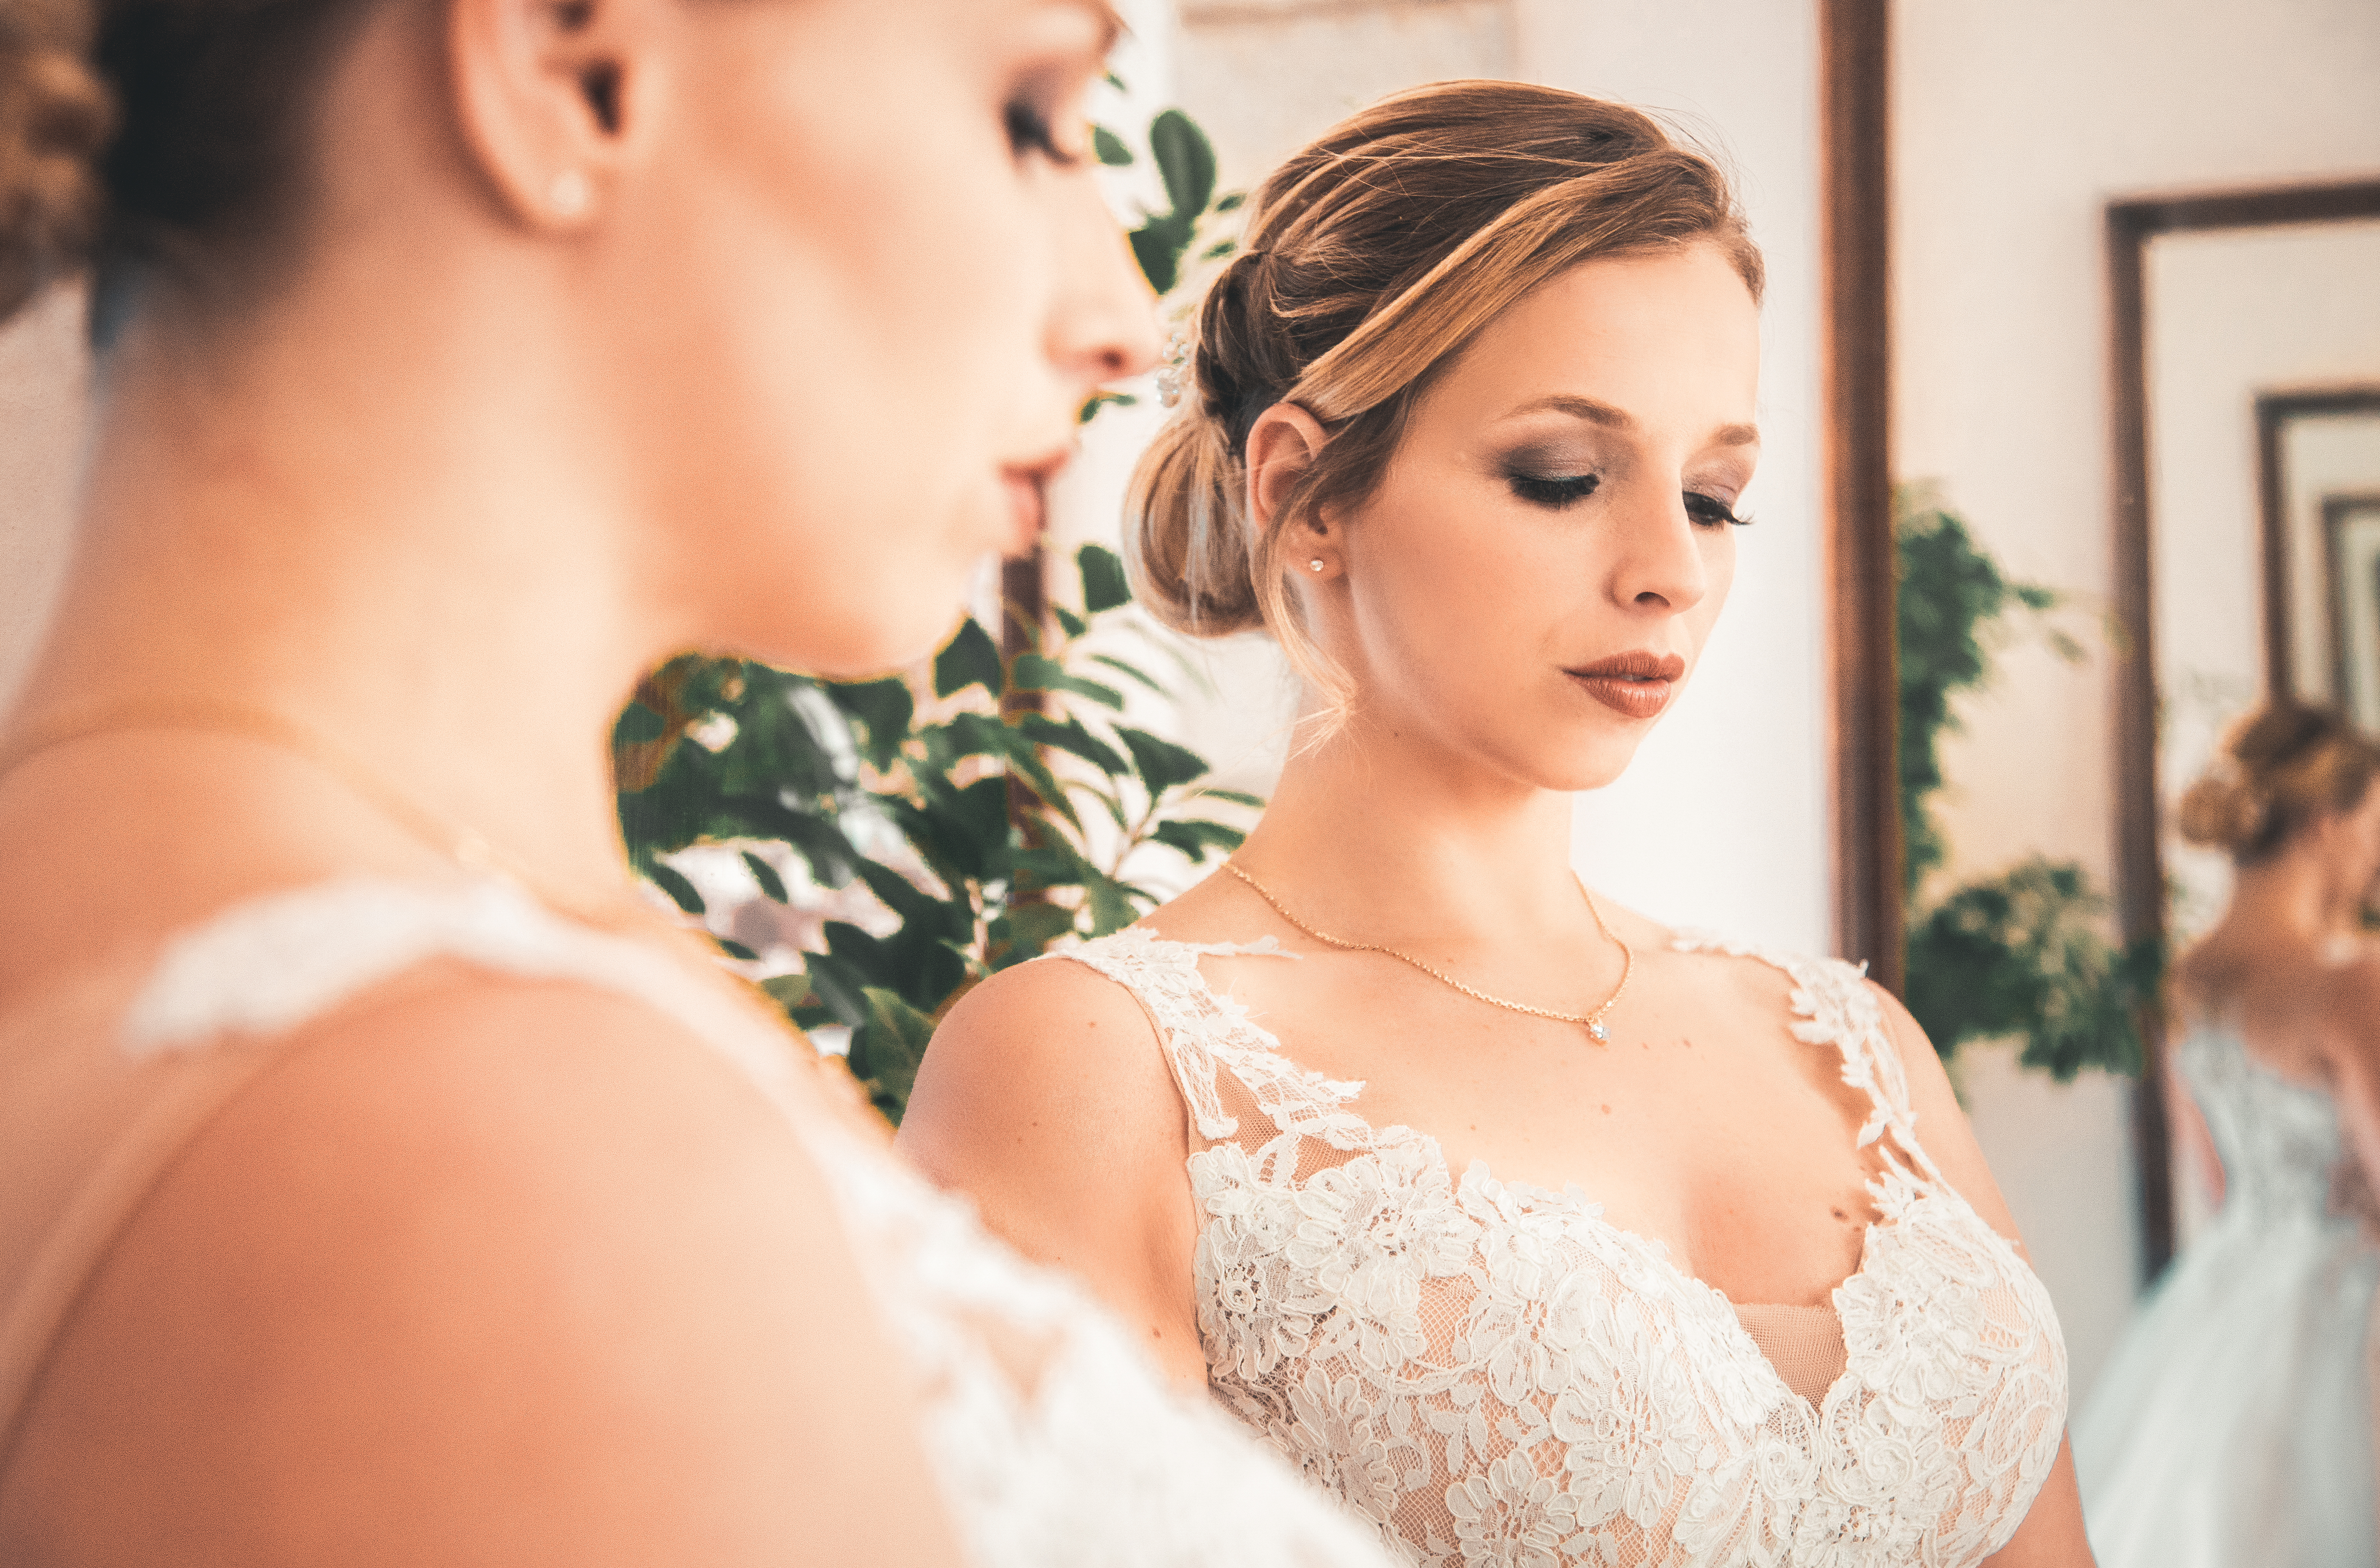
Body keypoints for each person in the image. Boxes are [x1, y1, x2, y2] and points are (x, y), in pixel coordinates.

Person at [0, 0, 1403, 1560]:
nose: (1122, 314)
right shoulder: (491, 1157)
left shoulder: (227, 963)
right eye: (1030, 115)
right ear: (569, 63)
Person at [900, 81, 2091, 1567]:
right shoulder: (1096, 1069)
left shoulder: (1848, 1043)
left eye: (1717, 495)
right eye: (1563, 477)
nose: (1668, 567)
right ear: (1304, 494)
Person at [2073, 701, 2380, 1567]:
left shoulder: (2190, 977)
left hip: (2233, 1288)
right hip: (2352, 1300)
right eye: (2374, 823)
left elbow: (2213, 1182)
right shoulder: (2350, 979)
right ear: (2325, 823)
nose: (2375, 851)